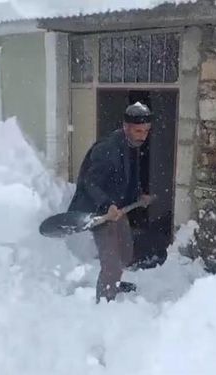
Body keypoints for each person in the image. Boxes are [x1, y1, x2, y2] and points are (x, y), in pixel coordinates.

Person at [68, 102, 154, 303]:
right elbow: (90, 182)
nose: (143, 135)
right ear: (126, 127)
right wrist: (107, 205)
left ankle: (113, 282)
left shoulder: (131, 145)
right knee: (112, 263)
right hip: (99, 212)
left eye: (146, 131)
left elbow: (128, 177)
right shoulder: (108, 148)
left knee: (125, 252)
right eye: (138, 130)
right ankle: (106, 301)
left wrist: (140, 195)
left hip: (117, 209)